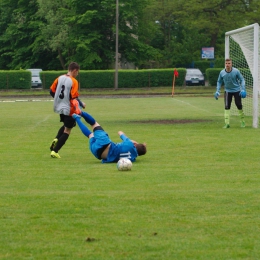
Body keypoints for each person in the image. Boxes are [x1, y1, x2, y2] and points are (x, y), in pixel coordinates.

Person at [72, 111, 147, 163]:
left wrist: (131, 141)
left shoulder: (130, 144)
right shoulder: (132, 159)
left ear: (135, 145)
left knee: (94, 124)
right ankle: (76, 118)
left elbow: (120, 133)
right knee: (90, 135)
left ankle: (80, 113)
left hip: (105, 143)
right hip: (97, 154)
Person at [49, 62, 86, 158]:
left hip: (59, 108)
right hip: (69, 109)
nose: (77, 74)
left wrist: (59, 100)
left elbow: (51, 91)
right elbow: (74, 97)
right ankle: (55, 151)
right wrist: (82, 104)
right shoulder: (73, 81)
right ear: (74, 70)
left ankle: (56, 138)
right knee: (67, 131)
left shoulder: (59, 78)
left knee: (65, 125)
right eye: (77, 72)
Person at [214, 58, 247, 128]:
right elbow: (219, 81)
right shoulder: (222, 72)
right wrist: (217, 90)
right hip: (228, 91)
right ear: (225, 64)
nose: (227, 65)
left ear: (231, 64)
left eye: (229, 63)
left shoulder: (236, 71)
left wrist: (243, 89)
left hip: (237, 90)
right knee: (227, 106)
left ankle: (243, 122)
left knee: (239, 105)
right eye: (226, 63)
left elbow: (242, 79)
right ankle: (227, 124)